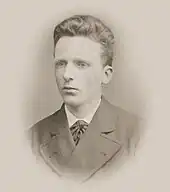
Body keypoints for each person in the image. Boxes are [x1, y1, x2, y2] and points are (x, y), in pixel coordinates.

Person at [29, 15, 139, 182]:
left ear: (106, 74)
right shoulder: (32, 139)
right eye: (61, 64)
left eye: (81, 64)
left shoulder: (138, 135)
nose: (67, 75)